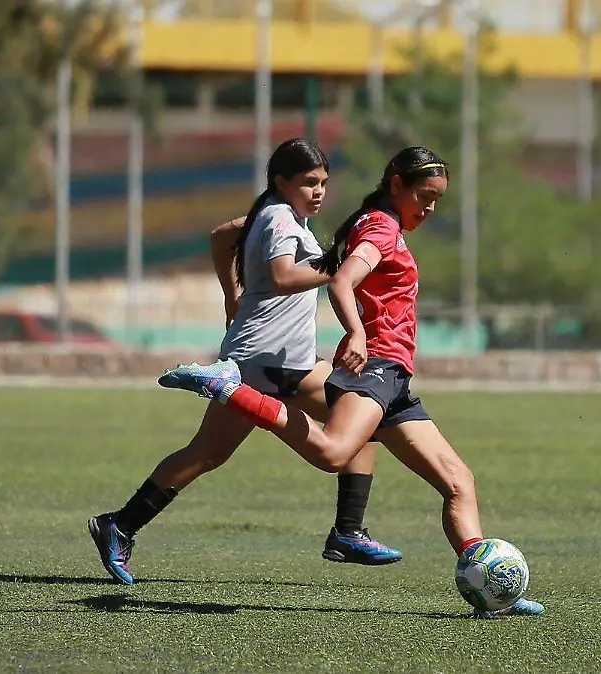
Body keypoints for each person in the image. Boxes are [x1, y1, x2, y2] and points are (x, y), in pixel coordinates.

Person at [157, 146, 544, 618]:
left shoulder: (384, 225)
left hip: (394, 379)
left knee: (459, 482)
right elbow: (341, 281)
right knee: (335, 453)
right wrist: (358, 332)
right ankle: (233, 390)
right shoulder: (380, 228)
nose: (429, 208)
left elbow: (235, 238)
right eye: (424, 196)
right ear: (396, 185)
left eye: (437, 200)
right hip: (375, 365)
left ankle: (493, 591)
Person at [89, 139, 401, 586]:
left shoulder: (280, 214)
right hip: (255, 363)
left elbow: (221, 237)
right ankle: (118, 526)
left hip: (294, 363)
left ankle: (348, 531)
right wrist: (339, 265)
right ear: (281, 183)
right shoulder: (276, 216)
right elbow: (281, 277)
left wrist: (231, 293)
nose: (318, 192)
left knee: (362, 420)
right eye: (308, 183)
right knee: (206, 454)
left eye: (324, 183)